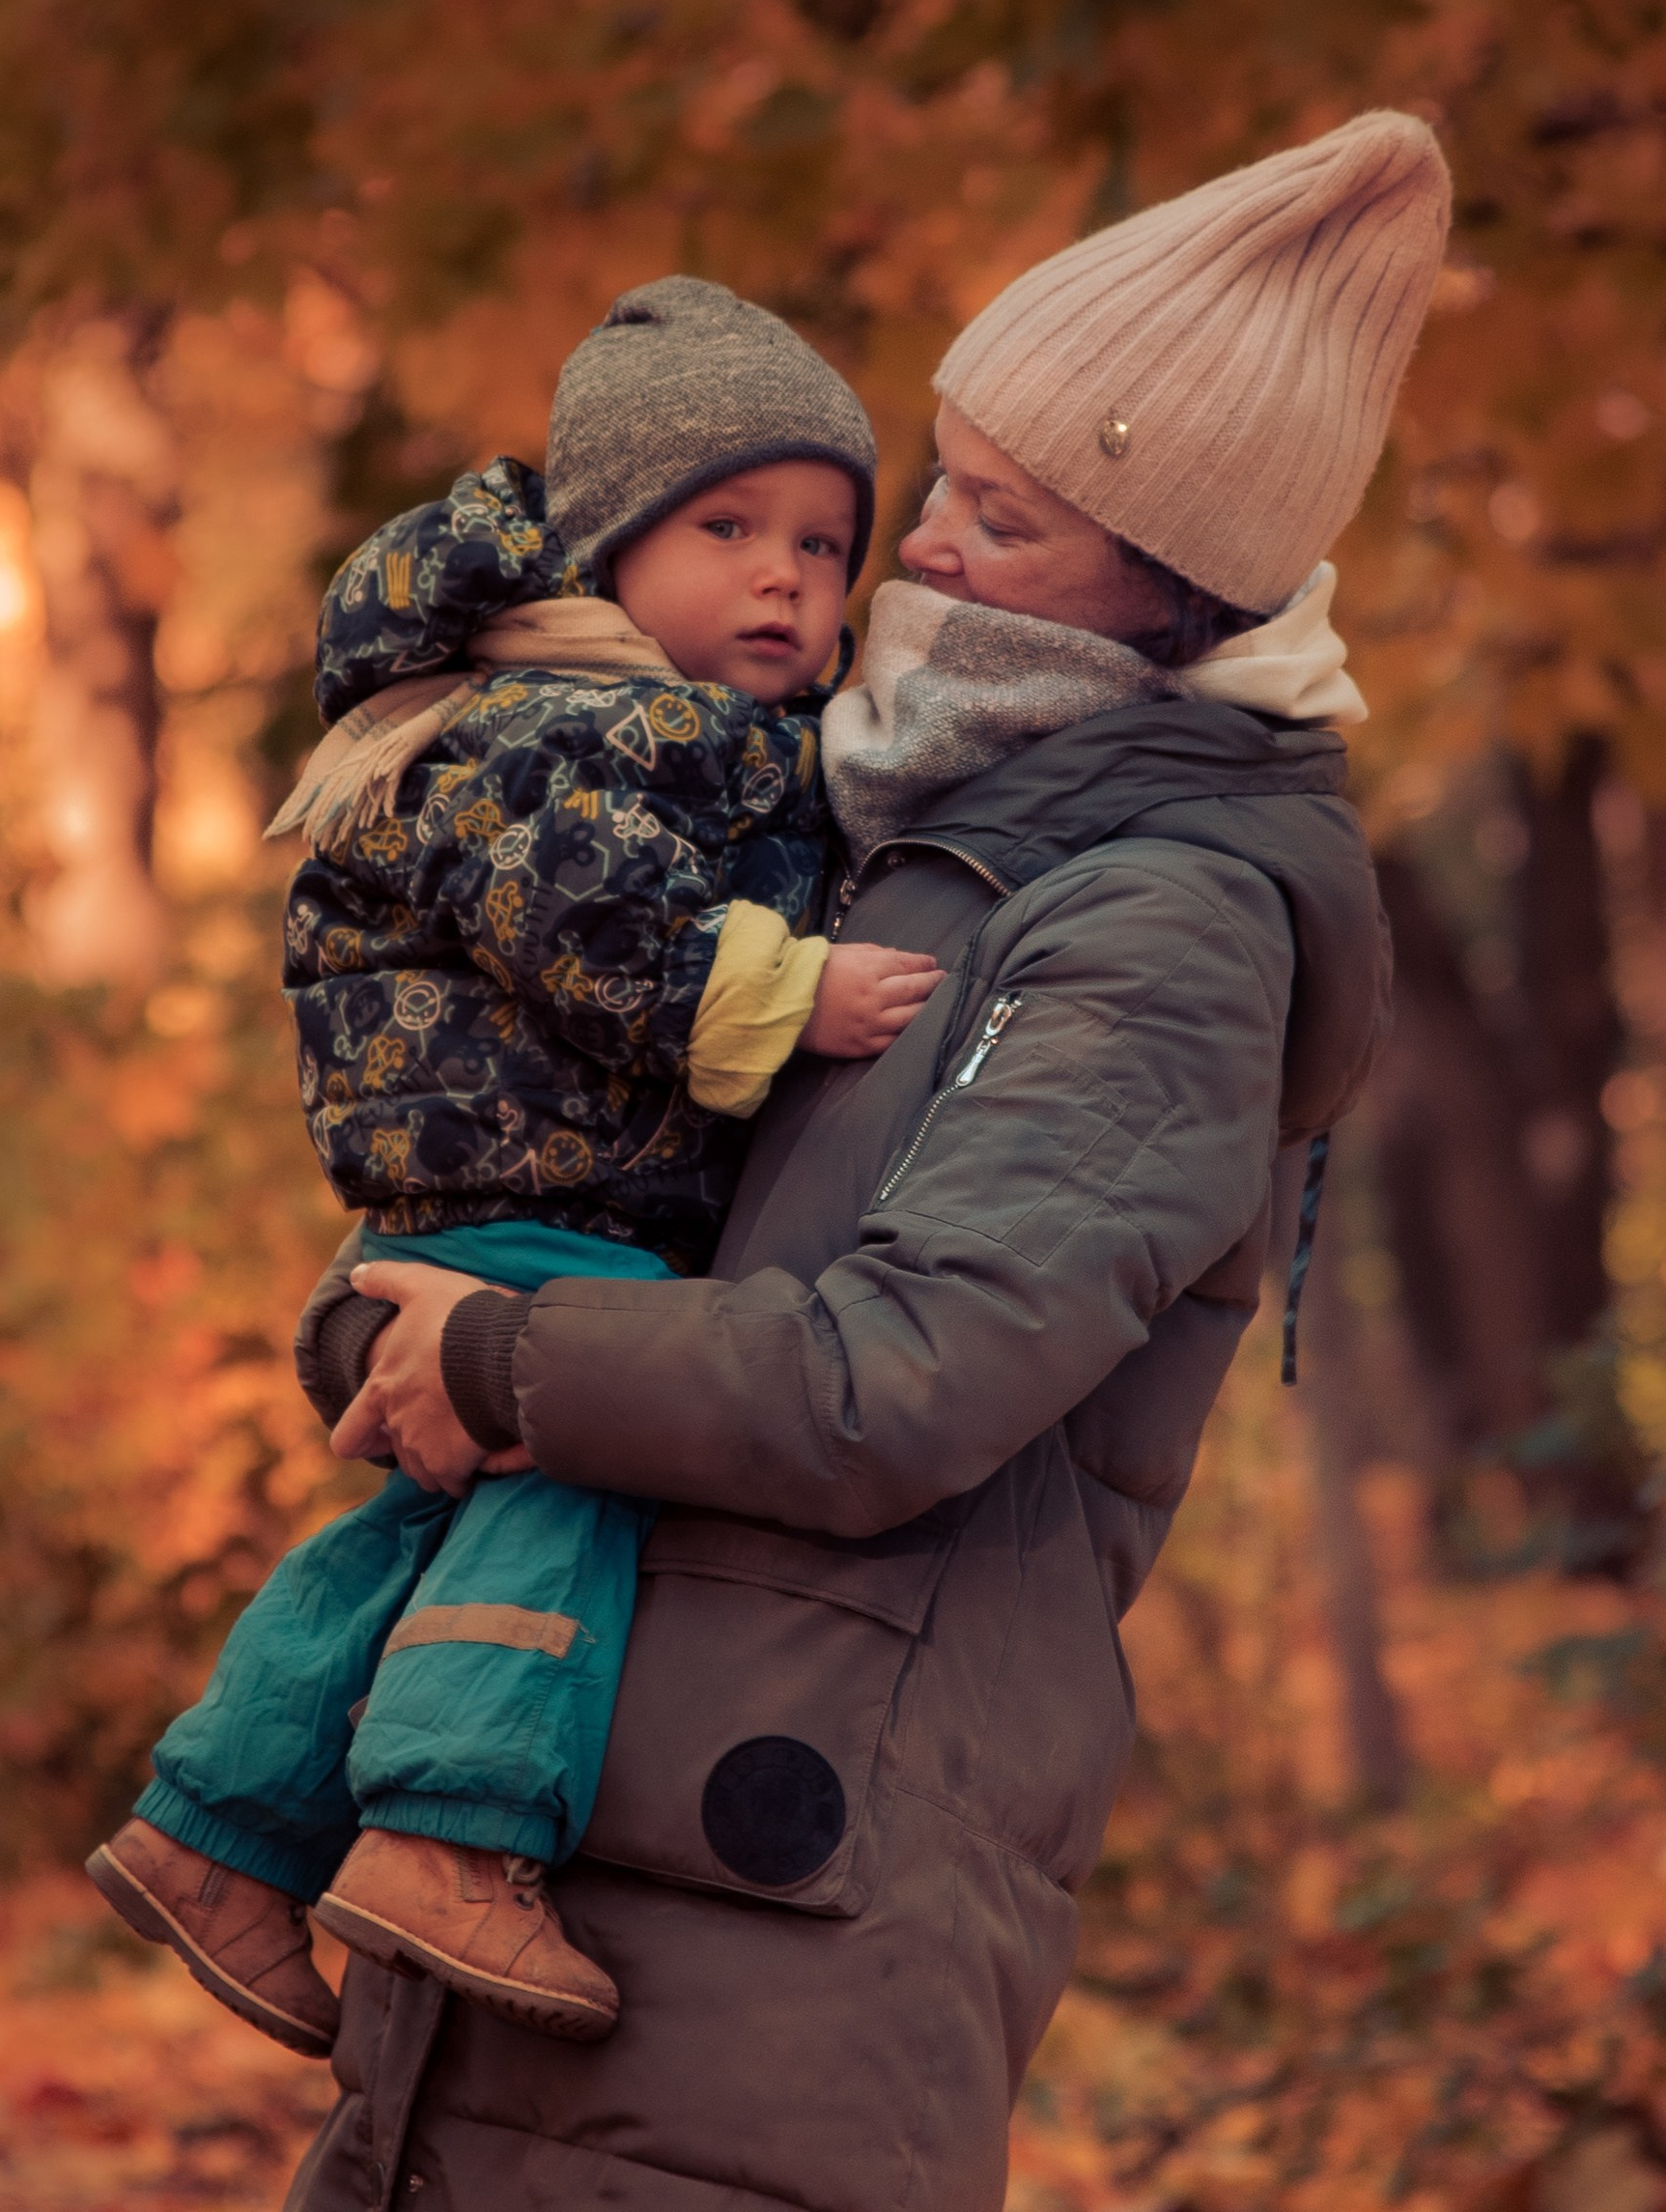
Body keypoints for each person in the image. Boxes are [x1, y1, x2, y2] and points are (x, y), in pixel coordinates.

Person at [284, 108, 1451, 2212]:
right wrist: (421, 1289)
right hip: (603, 1806)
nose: (915, 559)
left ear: (1169, 590)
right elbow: (655, 1206)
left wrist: (499, 1361)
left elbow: (892, 1374)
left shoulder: (1160, 921)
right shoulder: (905, 822)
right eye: (944, 488)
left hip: (789, 1895)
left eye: (1000, 527)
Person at [88, 279, 941, 2056]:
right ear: (609, 543)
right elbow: (589, 921)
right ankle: (448, 1839)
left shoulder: (679, 724)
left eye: (822, 541)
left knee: (417, 1524)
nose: (787, 576)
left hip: (534, 1203)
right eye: (729, 528)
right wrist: (785, 995)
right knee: (580, 1458)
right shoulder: (549, 721)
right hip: (535, 1212)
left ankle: (218, 1830)